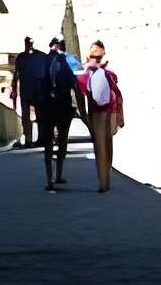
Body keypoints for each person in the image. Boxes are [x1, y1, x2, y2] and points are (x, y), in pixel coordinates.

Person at [74, 40, 125, 194]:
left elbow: (115, 92)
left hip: (109, 112)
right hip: (96, 112)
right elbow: (80, 90)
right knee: (100, 145)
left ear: (103, 53)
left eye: (98, 50)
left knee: (106, 145)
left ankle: (105, 178)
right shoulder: (85, 72)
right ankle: (103, 181)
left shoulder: (108, 72)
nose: (95, 52)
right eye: (92, 50)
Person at [40, 38, 77, 191]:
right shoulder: (69, 61)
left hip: (47, 106)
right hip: (63, 106)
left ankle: (49, 179)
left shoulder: (44, 61)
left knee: (48, 142)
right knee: (62, 139)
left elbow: (39, 84)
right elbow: (76, 85)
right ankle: (58, 175)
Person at [11, 36, 47, 149]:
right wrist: (14, 91)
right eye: (28, 43)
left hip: (36, 90)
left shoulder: (40, 56)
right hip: (27, 90)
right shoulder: (21, 57)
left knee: (39, 115)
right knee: (26, 116)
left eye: (30, 43)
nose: (29, 45)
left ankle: (39, 138)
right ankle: (28, 139)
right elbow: (16, 75)